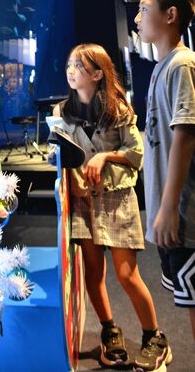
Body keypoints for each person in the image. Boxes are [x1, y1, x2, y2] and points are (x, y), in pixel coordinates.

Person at [53, 43, 171, 370]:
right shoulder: (61, 112)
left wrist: (105, 155)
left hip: (117, 199)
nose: (71, 71)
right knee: (94, 274)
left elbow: (136, 155)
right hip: (82, 204)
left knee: (126, 274)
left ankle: (154, 337)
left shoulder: (120, 110)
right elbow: (58, 155)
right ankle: (109, 331)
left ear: (97, 73)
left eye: (78, 65)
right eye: (69, 65)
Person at [135, 0, 195, 343]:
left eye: (144, 9)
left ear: (170, 15)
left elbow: (185, 134)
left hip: (185, 214)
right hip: (170, 210)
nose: (138, 18)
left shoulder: (182, 65)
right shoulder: (162, 67)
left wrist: (170, 206)